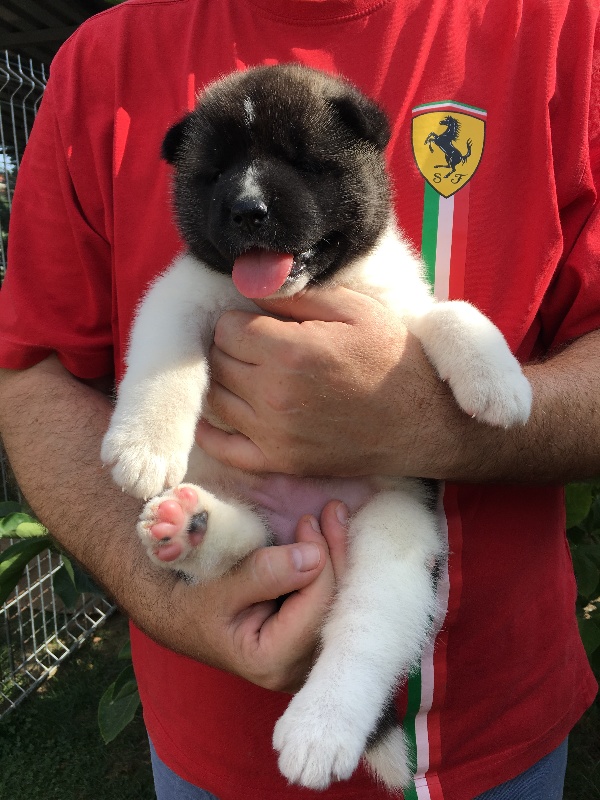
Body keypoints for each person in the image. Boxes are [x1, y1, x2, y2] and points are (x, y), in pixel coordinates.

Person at [0, 0, 598, 798]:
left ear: (365, 148)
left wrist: (431, 415)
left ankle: (346, 695)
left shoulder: (563, 27)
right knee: (215, 511)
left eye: (305, 166)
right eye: (215, 176)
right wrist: (155, 427)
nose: (249, 200)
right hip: (214, 730)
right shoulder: (105, 63)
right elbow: (104, 343)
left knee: (397, 541)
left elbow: (428, 320)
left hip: (495, 718)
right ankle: (212, 538)